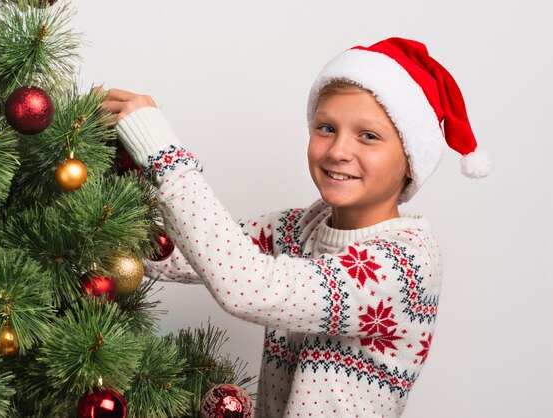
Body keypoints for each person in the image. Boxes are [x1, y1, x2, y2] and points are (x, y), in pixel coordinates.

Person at [97, 37, 491, 417]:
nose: (338, 150)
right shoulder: (300, 227)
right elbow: (184, 252)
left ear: (411, 161)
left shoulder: (404, 264)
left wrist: (163, 156)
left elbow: (248, 288)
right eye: (326, 128)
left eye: (368, 136)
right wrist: (101, 200)